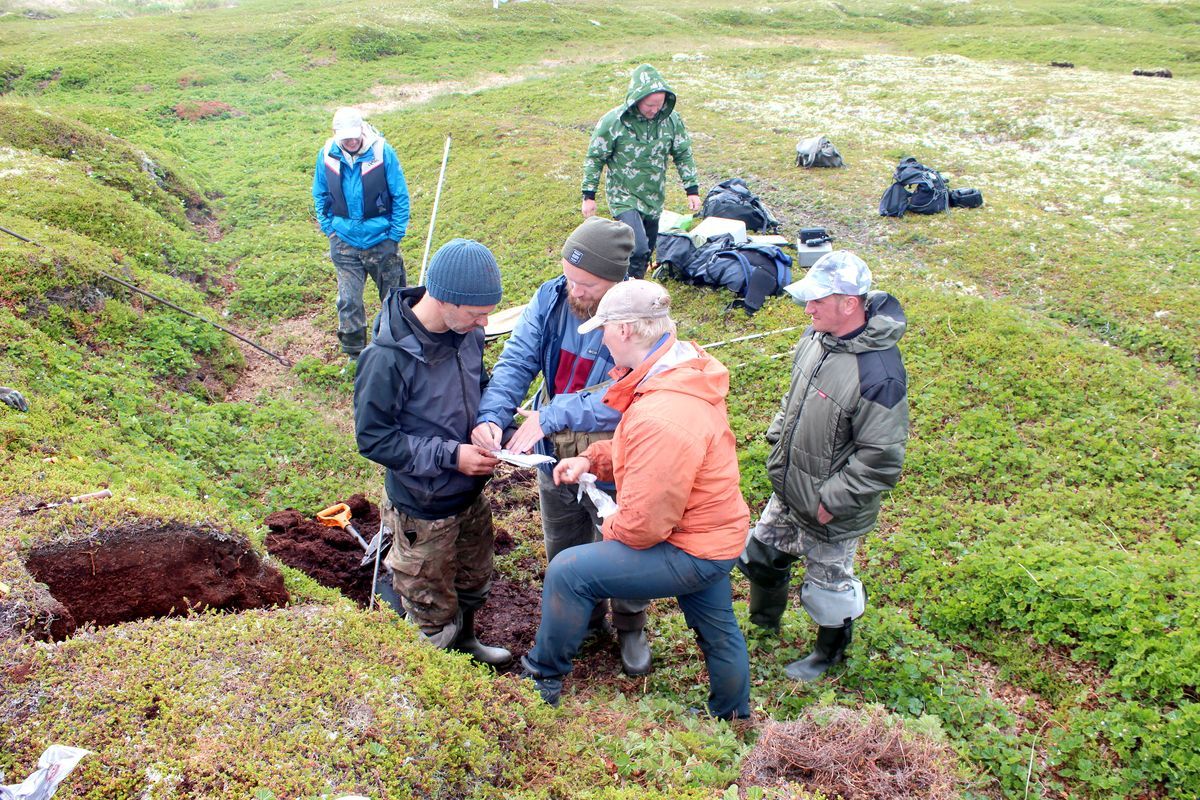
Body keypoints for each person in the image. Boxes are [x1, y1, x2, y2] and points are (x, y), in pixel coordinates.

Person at [519, 280, 752, 720]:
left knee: (569, 571)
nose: (602, 340)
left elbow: (643, 527)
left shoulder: (662, 413)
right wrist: (591, 460)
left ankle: (541, 677)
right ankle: (734, 716)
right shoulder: (675, 373)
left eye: (604, 330)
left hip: (691, 547)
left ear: (625, 330)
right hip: (716, 534)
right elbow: (644, 452)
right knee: (718, 628)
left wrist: (609, 523)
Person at [471, 217, 655, 675]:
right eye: (570, 276)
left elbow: (627, 391)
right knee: (563, 538)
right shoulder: (552, 298)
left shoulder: (639, 317)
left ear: (616, 280)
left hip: (612, 453)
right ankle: (585, 619)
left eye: (586, 283)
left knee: (622, 540)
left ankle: (630, 624)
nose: (574, 289)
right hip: (553, 448)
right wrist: (492, 416)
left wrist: (552, 413)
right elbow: (518, 359)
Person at [738, 251, 909, 681]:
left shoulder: (879, 374)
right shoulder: (816, 337)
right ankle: (764, 622)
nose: (807, 308)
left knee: (829, 586)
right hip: (790, 485)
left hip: (831, 507)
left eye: (817, 300)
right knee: (761, 554)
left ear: (849, 303)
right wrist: (778, 437)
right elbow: (793, 396)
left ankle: (829, 654)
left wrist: (832, 500)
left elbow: (881, 457)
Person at [353, 238, 510, 666]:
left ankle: (467, 643)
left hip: (470, 495)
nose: (485, 323)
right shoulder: (387, 358)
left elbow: (479, 384)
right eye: (477, 313)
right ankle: (433, 674)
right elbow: (374, 438)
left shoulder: (467, 333)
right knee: (428, 601)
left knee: (474, 579)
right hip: (421, 509)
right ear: (443, 300)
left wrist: (494, 424)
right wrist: (451, 456)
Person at [581, 64, 701, 279]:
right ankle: (626, 290)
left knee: (645, 252)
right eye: (649, 105)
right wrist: (589, 196)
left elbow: (683, 153)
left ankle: (630, 286)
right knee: (637, 248)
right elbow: (595, 157)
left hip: (653, 198)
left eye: (659, 105)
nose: (654, 110)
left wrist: (691, 190)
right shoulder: (613, 121)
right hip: (623, 195)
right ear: (636, 99)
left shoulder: (671, 121)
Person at [313, 107, 411, 362]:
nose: (351, 141)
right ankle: (354, 356)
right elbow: (320, 194)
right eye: (345, 137)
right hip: (344, 242)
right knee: (348, 301)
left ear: (362, 129)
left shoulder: (382, 152)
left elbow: (400, 195)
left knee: (393, 299)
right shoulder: (327, 155)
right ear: (336, 134)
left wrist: (394, 235)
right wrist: (330, 230)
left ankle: (394, 350)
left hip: (381, 241)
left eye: (354, 136)